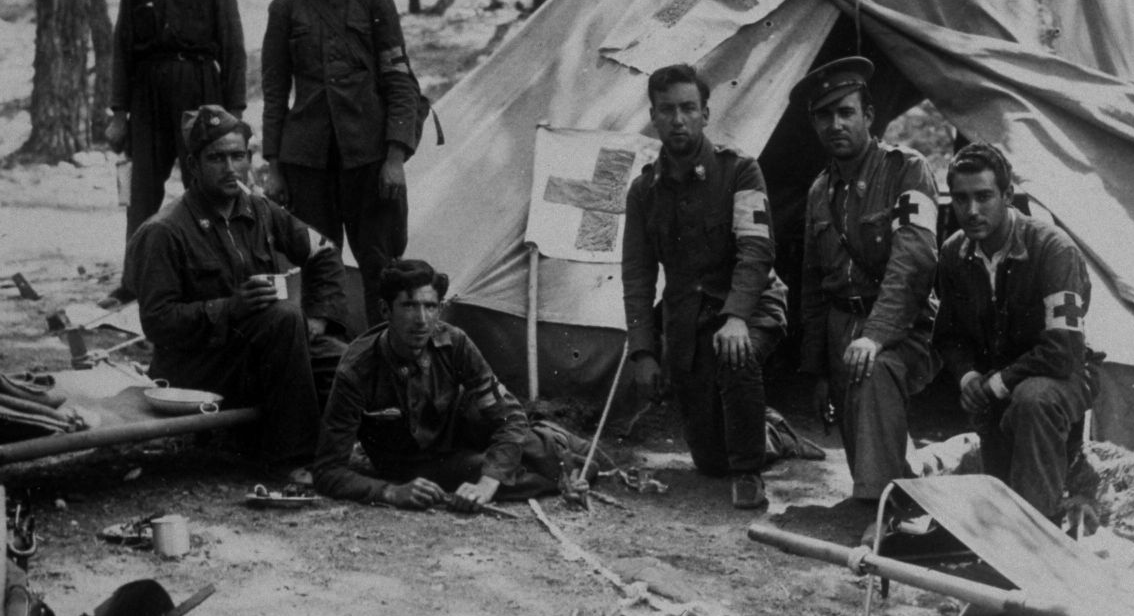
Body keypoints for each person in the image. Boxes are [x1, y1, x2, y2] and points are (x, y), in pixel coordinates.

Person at [621, 64, 820, 511]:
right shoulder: (643, 192)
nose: (678, 120)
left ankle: (750, 472)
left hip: (751, 310)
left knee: (739, 353)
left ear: (706, 114)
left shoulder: (741, 172)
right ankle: (769, 432)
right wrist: (644, 351)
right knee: (710, 460)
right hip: (689, 327)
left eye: (689, 108)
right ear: (653, 116)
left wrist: (735, 317)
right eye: (667, 110)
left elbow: (757, 251)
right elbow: (637, 276)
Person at [127, 105, 350, 482]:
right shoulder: (164, 231)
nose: (230, 168)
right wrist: (230, 307)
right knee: (281, 318)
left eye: (238, 156)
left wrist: (318, 317)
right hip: (196, 366)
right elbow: (158, 323)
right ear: (193, 165)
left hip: (264, 353)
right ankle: (292, 458)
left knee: (348, 362)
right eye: (216, 158)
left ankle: (357, 451)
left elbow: (324, 251)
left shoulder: (260, 210)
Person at [262, 0, 421, 327]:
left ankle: (384, 366)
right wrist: (274, 166)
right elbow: (275, 91)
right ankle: (328, 367)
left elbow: (400, 81)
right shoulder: (286, 7)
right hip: (308, 162)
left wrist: (395, 156)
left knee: (382, 270)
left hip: (368, 158)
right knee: (320, 269)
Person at [314, 259, 582, 510]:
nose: (421, 319)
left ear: (440, 308)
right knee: (503, 468)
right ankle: (567, 465)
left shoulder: (454, 342)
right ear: (385, 310)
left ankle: (563, 453)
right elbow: (328, 471)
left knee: (514, 450)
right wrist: (391, 492)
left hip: (465, 429)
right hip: (416, 465)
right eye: (409, 306)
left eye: (430, 306)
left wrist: (487, 485)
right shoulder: (357, 367)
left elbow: (510, 418)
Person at [795, 57, 939, 503]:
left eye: (846, 112)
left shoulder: (906, 170)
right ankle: (921, 477)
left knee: (874, 377)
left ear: (869, 116)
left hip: (904, 326)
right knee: (870, 458)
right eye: (824, 115)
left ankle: (881, 517)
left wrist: (875, 337)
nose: (835, 124)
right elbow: (814, 284)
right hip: (844, 332)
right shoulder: (819, 192)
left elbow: (913, 261)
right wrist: (818, 370)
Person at [932, 143, 1100, 522]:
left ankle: (1037, 543)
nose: (971, 210)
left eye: (984, 196)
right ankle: (1056, 480)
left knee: (1033, 399)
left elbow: (1062, 351)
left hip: (1062, 377)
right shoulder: (953, 253)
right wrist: (969, 378)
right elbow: (948, 336)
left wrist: (995, 385)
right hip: (998, 386)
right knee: (997, 495)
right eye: (960, 198)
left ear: (1008, 196)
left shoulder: (1053, 250)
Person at [107, 0, 245, 240]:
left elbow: (233, 50)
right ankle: (135, 278)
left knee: (206, 185)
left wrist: (235, 116)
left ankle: (215, 267)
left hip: (200, 93)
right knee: (142, 193)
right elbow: (121, 50)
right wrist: (119, 114)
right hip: (148, 96)